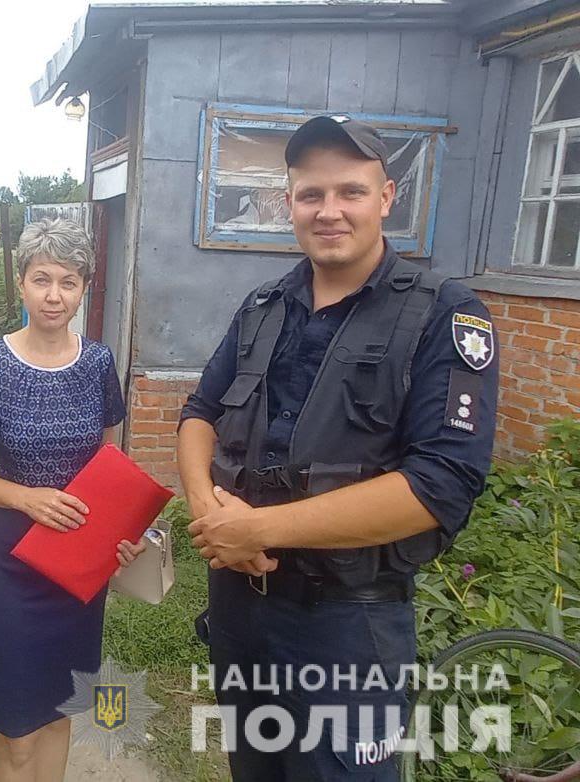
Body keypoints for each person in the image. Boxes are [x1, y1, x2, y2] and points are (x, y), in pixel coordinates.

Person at [179, 116, 499, 780]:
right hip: (240, 608)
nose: (329, 211)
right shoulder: (263, 305)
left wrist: (259, 528)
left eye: (350, 191)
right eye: (311, 194)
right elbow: (199, 414)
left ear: (387, 197)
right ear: (289, 203)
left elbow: (441, 484)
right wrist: (212, 516)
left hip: (348, 624)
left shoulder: (443, 314)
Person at [0, 218, 149, 782]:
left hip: (79, 568)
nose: (55, 295)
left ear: (84, 289)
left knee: (60, 714)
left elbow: (109, 465)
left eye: (69, 282)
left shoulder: (98, 363)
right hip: (11, 565)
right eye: (42, 279)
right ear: (22, 284)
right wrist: (24, 499)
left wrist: (122, 534)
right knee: (18, 731)